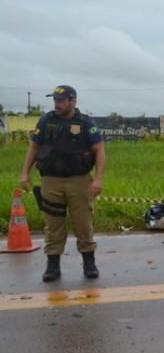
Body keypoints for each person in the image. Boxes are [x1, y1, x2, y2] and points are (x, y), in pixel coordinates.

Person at [19, 85, 106, 282]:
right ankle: (52, 266)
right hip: (51, 180)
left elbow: (99, 151)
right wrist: (24, 173)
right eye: (55, 100)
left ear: (73, 101)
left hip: (79, 180)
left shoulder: (85, 123)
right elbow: (34, 147)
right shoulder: (46, 120)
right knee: (53, 223)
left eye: (61, 100)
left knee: (83, 222)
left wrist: (98, 179)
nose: (56, 104)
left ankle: (89, 263)